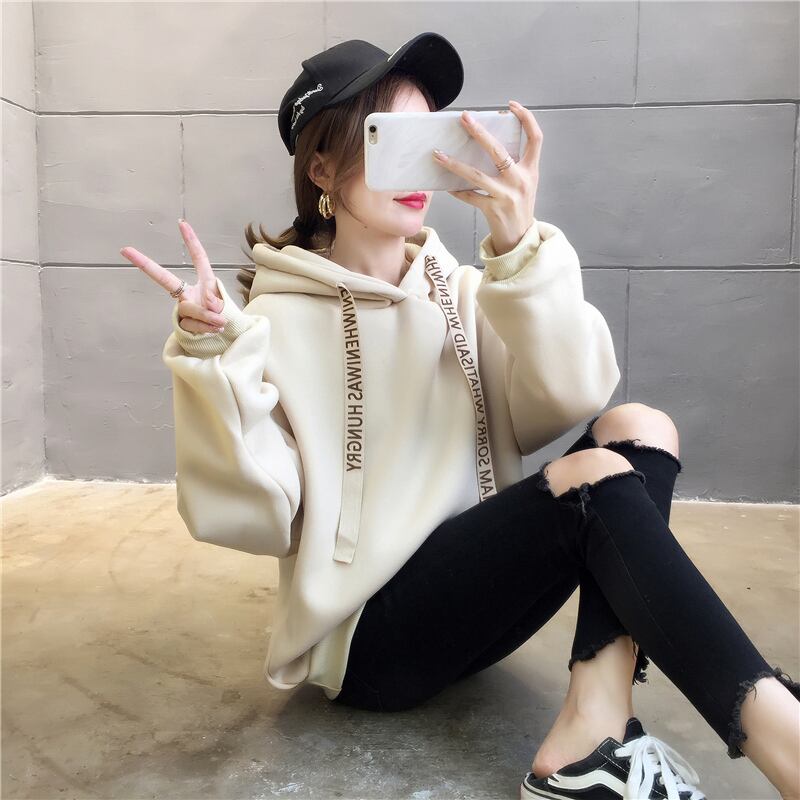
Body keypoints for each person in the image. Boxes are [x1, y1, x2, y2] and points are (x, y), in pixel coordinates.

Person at [121, 32, 800, 800]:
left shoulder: (463, 290)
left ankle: (595, 721)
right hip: (371, 643)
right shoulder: (269, 325)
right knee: (592, 482)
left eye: (429, 136)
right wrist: (213, 360)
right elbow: (256, 514)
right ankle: (788, 744)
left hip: (471, 612)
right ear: (321, 168)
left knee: (642, 428)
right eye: (389, 138)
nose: (419, 166)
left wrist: (519, 248)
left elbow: (569, 395)